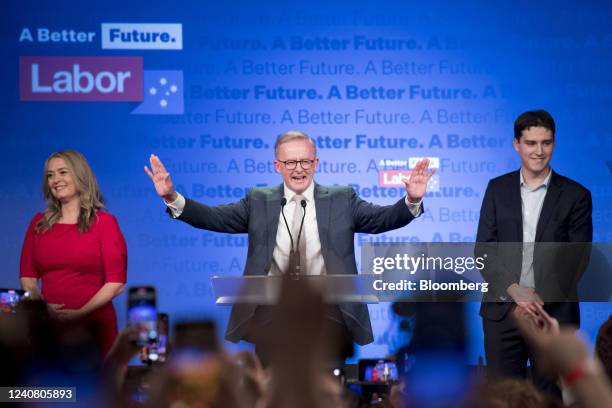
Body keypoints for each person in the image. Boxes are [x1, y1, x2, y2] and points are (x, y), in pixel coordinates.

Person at [145, 130, 434, 353]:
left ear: (316, 163)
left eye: (306, 161)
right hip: (272, 314)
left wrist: (412, 199)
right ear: (277, 166)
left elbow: (383, 219)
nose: (299, 168)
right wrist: (172, 197)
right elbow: (214, 218)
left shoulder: (342, 198)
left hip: (329, 312)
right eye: (290, 162)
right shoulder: (258, 200)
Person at [476, 110, 593, 396]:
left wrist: (537, 301)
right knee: (503, 397)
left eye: (546, 143)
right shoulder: (497, 189)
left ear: (553, 144)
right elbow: (484, 249)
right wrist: (515, 291)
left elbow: (577, 258)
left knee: (549, 396)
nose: (539, 151)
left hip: (553, 315)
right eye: (531, 143)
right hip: (503, 313)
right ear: (517, 144)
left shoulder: (576, 195)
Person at [20, 150, 127, 356]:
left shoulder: (105, 223)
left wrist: (79, 314)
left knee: (95, 389)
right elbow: (28, 277)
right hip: (49, 328)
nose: (56, 180)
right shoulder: (38, 224)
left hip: (95, 328)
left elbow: (116, 283)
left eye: (62, 172)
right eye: (50, 175)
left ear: (80, 176)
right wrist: (44, 308)